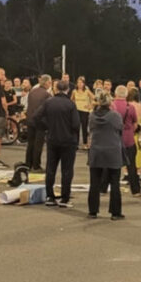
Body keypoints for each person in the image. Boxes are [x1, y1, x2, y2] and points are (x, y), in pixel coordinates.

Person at [35, 79, 81, 207]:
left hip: (52, 139)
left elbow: (36, 117)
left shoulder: (49, 102)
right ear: (67, 90)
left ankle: (50, 196)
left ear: (56, 89)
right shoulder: (71, 104)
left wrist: (46, 126)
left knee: (50, 168)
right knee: (67, 170)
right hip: (68, 141)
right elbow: (76, 124)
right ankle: (65, 198)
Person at [87, 90, 125, 220]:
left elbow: (90, 130)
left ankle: (92, 211)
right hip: (113, 151)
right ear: (109, 102)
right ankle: (115, 212)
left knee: (94, 182)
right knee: (115, 183)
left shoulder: (92, 116)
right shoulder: (115, 116)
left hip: (96, 151)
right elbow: (120, 129)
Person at [113, 85, 141, 197]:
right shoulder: (130, 107)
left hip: (114, 139)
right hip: (128, 139)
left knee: (111, 165)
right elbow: (135, 123)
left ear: (115, 94)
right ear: (126, 95)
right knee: (131, 165)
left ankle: (105, 187)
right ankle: (135, 190)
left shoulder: (111, 105)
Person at [24, 74, 51, 171]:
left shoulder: (32, 92)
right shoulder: (46, 95)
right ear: (47, 83)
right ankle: (36, 165)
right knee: (38, 144)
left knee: (30, 143)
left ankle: (28, 163)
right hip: (40, 122)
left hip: (30, 120)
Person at [72, 77, 94, 148]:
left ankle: (85, 143)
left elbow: (94, 98)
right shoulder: (74, 91)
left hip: (85, 111)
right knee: (76, 127)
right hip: (77, 111)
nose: (79, 84)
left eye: (81, 83)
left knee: (84, 128)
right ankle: (76, 143)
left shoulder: (87, 91)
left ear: (84, 84)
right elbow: (71, 100)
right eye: (78, 82)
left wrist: (91, 105)